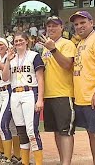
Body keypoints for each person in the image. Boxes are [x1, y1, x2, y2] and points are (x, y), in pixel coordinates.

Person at [2, 32, 45, 165]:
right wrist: (8, 60)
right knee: (21, 130)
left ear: (27, 41)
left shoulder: (34, 56)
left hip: (30, 92)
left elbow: (40, 78)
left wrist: (40, 99)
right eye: (16, 41)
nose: (18, 43)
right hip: (15, 94)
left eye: (21, 40)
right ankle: (25, 162)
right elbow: (5, 78)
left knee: (31, 130)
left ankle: (38, 163)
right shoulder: (11, 58)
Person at [39, 16, 76, 165]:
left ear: (62, 28)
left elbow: (67, 65)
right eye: (49, 26)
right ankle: (62, 161)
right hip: (49, 94)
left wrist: (53, 49)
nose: (51, 28)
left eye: (55, 26)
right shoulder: (45, 47)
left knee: (65, 131)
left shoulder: (67, 44)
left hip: (63, 93)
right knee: (55, 130)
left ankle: (66, 163)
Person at [70, 10, 95, 164]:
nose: (79, 26)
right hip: (82, 98)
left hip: (94, 98)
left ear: (91, 23)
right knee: (92, 133)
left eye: (83, 23)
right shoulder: (81, 42)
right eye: (76, 24)